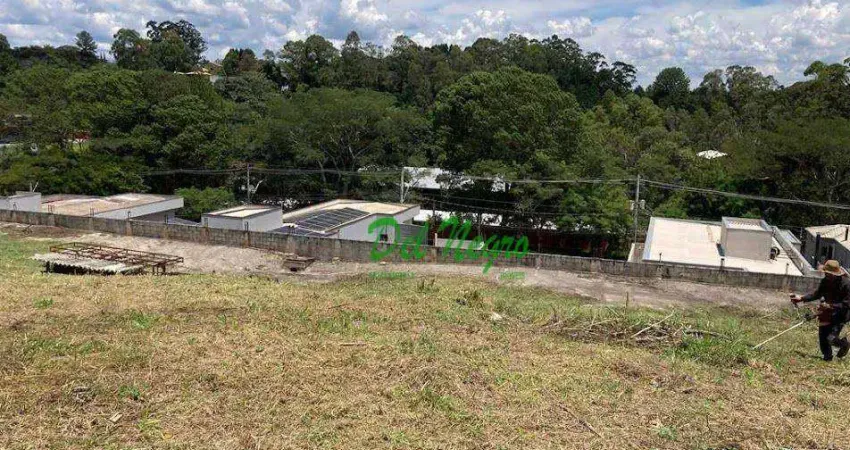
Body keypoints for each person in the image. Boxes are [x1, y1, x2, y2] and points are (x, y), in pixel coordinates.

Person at [791, 260, 850, 361]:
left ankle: (844, 344)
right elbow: (817, 294)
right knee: (823, 335)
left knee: (831, 338)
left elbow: (847, 304)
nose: (826, 275)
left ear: (836, 275)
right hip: (827, 312)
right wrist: (801, 298)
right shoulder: (825, 281)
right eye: (826, 273)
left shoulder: (846, 284)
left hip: (841, 314)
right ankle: (827, 357)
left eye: (829, 274)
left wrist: (830, 305)